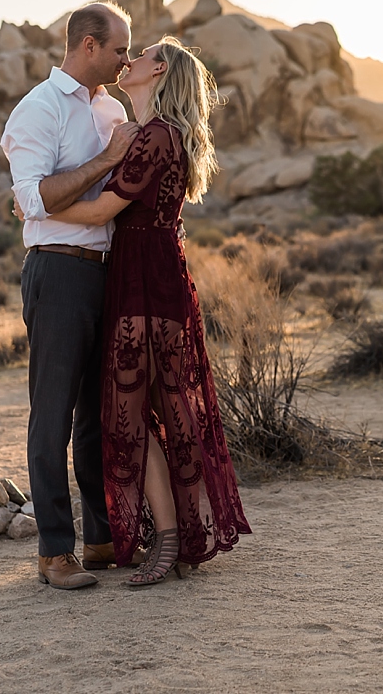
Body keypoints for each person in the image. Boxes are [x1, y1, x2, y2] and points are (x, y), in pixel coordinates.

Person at [46, 35, 251, 586]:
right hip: (150, 273)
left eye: (138, 56)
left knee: (147, 413)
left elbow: (102, 213)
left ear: (158, 70)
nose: (127, 60)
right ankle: (179, 538)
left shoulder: (155, 137)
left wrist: (37, 200)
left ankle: (170, 541)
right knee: (160, 409)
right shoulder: (157, 134)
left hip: (145, 278)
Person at [2, 3, 141, 590]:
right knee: (53, 414)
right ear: (87, 45)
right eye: (118, 50)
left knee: (95, 415)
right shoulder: (37, 109)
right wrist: (107, 158)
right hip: (57, 272)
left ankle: (102, 538)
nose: (125, 59)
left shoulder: (113, 107)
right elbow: (36, 200)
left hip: (106, 270)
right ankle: (54, 552)